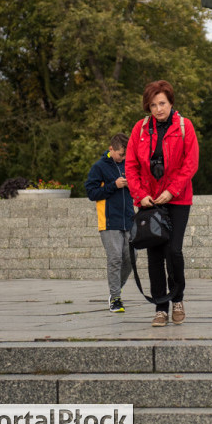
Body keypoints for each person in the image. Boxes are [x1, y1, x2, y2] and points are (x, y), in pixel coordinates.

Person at [126, 80, 199, 327]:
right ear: (148, 106)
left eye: (162, 103)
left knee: (173, 251)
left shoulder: (184, 126)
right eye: (153, 104)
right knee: (154, 254)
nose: (158, 109)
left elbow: (191, 163)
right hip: (148, 200)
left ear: (170, 103)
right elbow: (131, 165)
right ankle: (161, 308)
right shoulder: (140, 129)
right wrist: (140, 194)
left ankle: (177, 299)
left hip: (177, 199)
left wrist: (172, 190)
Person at [85, 133, 134, 313]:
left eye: (126, 155)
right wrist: (114, 185)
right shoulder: (99, 167)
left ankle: (116, 288)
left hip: (128, 220)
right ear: (111, 149)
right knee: (115, 259)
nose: (124, 157)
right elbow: (92, 193)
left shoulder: (129, 165)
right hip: (109, 221)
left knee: (130, 259)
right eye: (121, 154)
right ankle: (115, 298)